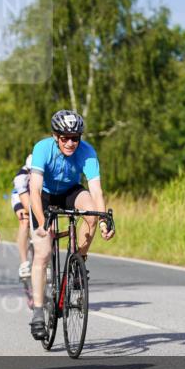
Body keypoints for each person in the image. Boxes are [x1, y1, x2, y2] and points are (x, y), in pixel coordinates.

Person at [28, 110, 115, 339]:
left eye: (74, 138)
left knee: (91, 214)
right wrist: (41, 222)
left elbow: (96, 190)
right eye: (64, 137)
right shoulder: (42, 148)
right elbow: (34, 190)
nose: (70, 143)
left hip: (70, 192)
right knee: (43, 252)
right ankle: (38, 311)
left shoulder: (87, 152)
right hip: (45, 195)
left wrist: (104, 218)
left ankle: (77, 264)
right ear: (55, 136)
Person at [10, 154, 34, 280]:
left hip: (36, 195)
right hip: (19, 196)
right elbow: (26, 202)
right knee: (24, 221)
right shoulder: (21, 177)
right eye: (31, 171)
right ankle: (24, 263)